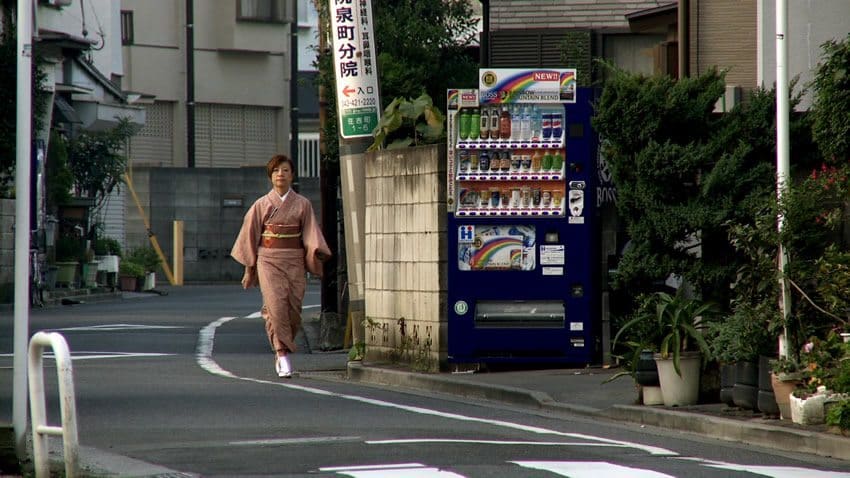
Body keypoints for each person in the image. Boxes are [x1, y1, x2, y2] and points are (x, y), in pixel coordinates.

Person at [231, 154, 331, 378]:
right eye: (276, 171)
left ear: (292, 175)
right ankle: (282, 352)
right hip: (268, 260)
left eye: (285, 170)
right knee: (275, 306)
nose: (280, 174)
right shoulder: (261, 204)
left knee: (294, 311)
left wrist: (316, 252)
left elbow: (310, 233)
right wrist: (249, 269)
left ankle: (282, 345)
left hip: (294, 259)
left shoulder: (303, 204)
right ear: (270, 176)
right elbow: (250, 237)